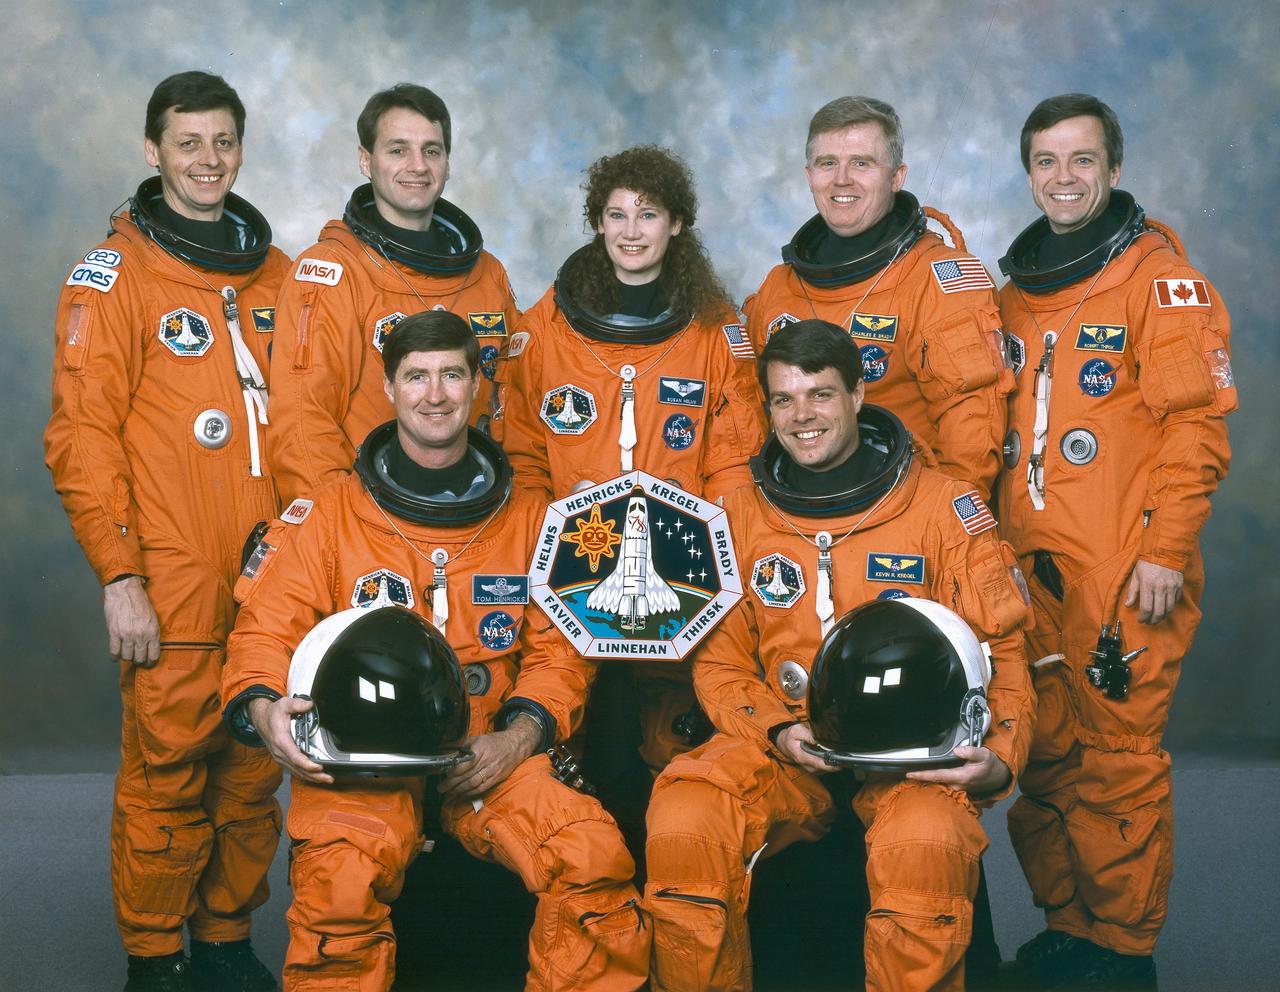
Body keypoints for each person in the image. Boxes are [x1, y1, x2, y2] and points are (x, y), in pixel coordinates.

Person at [223, 311, 649, 992]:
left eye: (452, 373)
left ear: (477, 385)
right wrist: (266, 708)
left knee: (591, 857)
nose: (436, 393)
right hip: (362, 755)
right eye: (416, 376)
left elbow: (560, 654)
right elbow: (265, 631)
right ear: (389, 388)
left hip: (488, 751)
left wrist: (517, 739)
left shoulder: (535, 516)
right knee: (340, 884)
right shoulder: (330, 512)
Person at [643, 319, 1034, 992]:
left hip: (914, 753)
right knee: (683, 818)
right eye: (784, 400)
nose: (802, 417)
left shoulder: (944, 508)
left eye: (820, 395)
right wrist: (778, 731)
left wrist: (1000, 759)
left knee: (925, 844)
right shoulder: (735, 513)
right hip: (784, 745)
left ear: (858, 393)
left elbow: (1004, 651)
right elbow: (721, 663)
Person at [44, 71, 288, 991]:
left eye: (223, 141)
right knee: (167, 778)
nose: (208, 160)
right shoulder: (116, 277)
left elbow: (310, 423)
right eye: (188, 143)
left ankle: (225, 938)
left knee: (252, 775)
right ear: (153, 151)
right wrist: (120, 575)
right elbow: (79, 436)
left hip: (271, 576)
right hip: (173, 574)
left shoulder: (275, 273)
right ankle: (155, 957)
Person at [995, 94, 1237, 989]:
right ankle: (1072, 929)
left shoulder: (1157, 280)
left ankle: (1124, 953)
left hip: (1123, 571)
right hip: (1030, 571)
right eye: (1047, 162)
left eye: (1082, 160)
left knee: (1116, 765)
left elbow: (1197, 432)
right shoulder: (1015, 294)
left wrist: (1167, 551)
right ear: (1029, 174)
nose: (1064, 178)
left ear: (1115, 167)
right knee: (1047, 757)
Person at [491, 145, 768, 802]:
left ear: (676, 224)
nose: (631, 231)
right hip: (572, 566)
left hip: (680, 572)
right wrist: (543, 549)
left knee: (673, 754)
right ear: (597, 223)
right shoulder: (545, 329)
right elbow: (524, 454)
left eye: (648, 215)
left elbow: (733, 465)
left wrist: (714, 568)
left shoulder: (714, 331)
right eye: (616, 215)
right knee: (586, 751)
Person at [743, 96, 1010, 498]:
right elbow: (751, 426)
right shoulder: (778, 288)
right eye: (827, 163)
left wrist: (938, 533)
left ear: (897, 176)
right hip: (793, 513)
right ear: (809, 174)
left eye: (862, 163)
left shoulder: (937, 282)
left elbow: (970, 439)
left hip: (903, 516)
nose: (841, 180)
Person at [269, 83, 519, 506]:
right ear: (366, 161)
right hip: (371, 519)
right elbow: (301, 423)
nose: (417, 166)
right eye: (398, 150)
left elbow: (516, 405)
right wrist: (337, 531)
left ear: (447, 162)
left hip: (477, 511)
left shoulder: (487, 275)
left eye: (432, 151)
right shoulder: (332, 274)